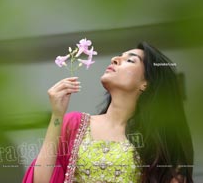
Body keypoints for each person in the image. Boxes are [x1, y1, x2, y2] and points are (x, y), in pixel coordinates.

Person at [23, 42, 194, 183]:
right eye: (119, 56)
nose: (115, 59)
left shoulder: (155, 143)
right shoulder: (74, 124)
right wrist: (57, 114)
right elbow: (40, 180)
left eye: (130, 60)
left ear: (145, 84)